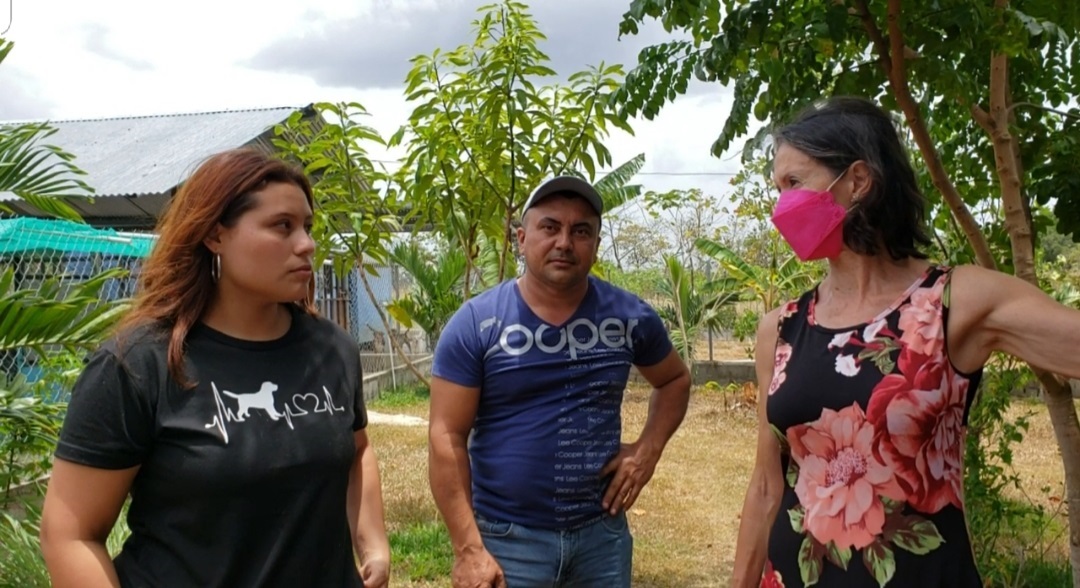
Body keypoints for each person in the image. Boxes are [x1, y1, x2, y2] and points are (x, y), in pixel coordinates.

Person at [731, 96, 1080, 588]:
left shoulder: (954, 302)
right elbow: (767, 487)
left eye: (794, 183)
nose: (782, 206)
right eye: (777, 189)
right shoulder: (781, 330)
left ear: (857, 180)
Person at [39, 149, 391, 588]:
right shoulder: (138, 364)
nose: (307, 244)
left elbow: (357, 450)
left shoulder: (332, 348)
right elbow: (68, 535)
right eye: (282, 226)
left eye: (307, 226)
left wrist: (373, 542)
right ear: (214, 235)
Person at [428, 176, 692, 587]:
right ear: (521, 237)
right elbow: (446, 436)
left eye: (580, 230)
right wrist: (469, 548)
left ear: (596, 244)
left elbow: (674, 379)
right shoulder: (477, 324)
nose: (565, 242)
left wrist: (647, 450)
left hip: (601, 539)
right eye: (549, 227)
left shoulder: (629, 317)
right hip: (506, 540)